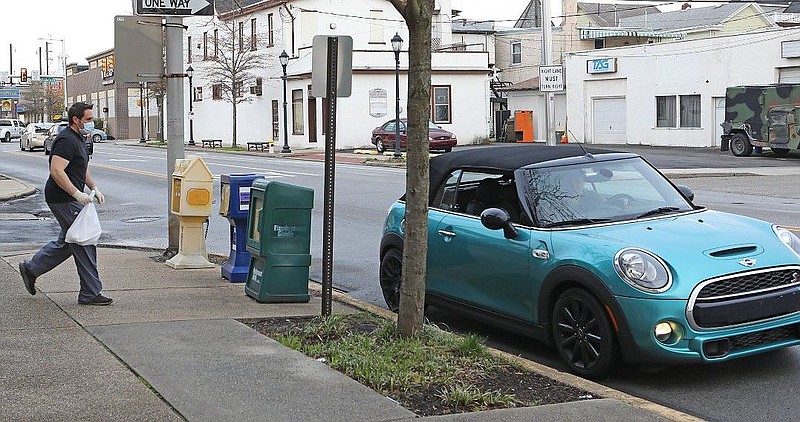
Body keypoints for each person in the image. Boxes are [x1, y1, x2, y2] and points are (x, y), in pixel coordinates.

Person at [18, 102, 111, 306]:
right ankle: (90, 293)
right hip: (63, 198)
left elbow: (81, 167)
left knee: (69, 242)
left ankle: (32, 268)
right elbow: (57, 171)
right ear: (76, 120)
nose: (91, 122)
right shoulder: (66, 140)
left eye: (91, 119)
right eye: (87, 119)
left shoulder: (79, 138)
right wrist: (77, 194)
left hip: (67, 197)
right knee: (84, 241)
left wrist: (94, 188)